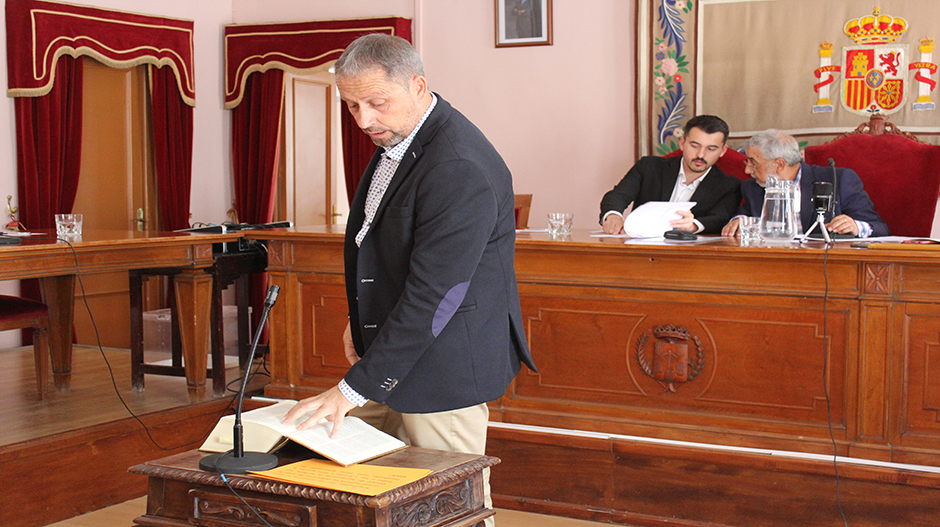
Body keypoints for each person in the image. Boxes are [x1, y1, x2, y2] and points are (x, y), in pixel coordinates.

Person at [281, 34, 536, 525]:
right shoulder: (402, 135)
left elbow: (435, 296)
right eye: (351, 105)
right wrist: (360, 327)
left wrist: (350, 390)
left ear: (418, 86)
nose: (363, 121)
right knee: (384, 499)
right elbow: (380, 247)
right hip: (396, 356)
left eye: (376, 103)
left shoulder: (458, 164)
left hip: (445, 366)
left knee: (451, 510)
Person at [720, 129, 889, 238]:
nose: (748, 171)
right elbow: (745, 215)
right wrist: (739, 221)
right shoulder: (753, 186)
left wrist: (855, 226)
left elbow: (879, 228)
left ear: (779, 164)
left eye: (753, 163)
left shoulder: (838, 179)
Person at [599, 115, 741, 235]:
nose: (700, 155)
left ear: (723, 151)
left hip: (689, 256)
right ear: (682, 143)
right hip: (640, 245)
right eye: (694, 146)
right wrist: (613, 216)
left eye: (711, 149)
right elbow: (618, 195)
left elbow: (720, 218)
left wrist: (693, 226)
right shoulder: (649, 167)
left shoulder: (728, 184)